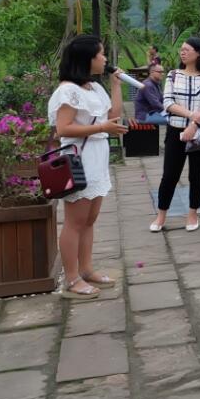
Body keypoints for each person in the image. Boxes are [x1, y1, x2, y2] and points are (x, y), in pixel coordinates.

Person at [49, 35, 129, 299]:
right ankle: (71, 278)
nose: (105, 58)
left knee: (90, 219)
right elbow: (63, 128)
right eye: (101, 54)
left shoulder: (94, 87)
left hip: (97, 156)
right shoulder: (68, 91)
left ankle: (86, 269)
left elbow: (112, 116)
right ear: (87, 59)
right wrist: (101, 128)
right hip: (78, 158)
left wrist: (115, 86)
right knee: (75, 221)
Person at [152, 38, 200, 233]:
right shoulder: (173, 75)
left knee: (196, 174)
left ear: (198, 53)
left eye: (187, 49)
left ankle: (192, 214)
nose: (182, 52)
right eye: (181, 49)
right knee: (169, 175)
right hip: (176, 130)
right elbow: (168, 103)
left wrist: (194, 125)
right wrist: (191, 116)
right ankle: (161, 215)